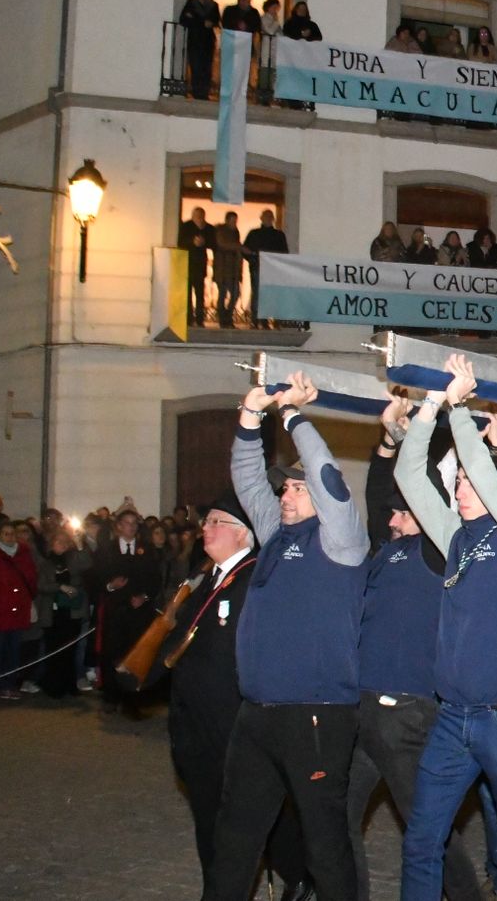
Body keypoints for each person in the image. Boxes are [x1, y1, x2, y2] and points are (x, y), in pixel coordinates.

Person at [208, 372, 371, 901]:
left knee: (325, 844)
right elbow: (249, 480)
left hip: (317, 715)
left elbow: (326, 474)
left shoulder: (341, 540)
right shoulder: (276, 535)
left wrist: (295, 415)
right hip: (257, 714)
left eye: (296, 489)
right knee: (235, 837)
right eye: (288, 488)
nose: (286, 494)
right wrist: (250, 418)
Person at [399, 355, 497, 901]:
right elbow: (410, 475)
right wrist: (430, 405)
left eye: (467, 483)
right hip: (453, 719)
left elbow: (482, 470)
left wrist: (461, 406)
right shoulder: (455, 536)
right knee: (420, 839)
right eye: (455, 484)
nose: (459, 489)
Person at [346, 392, 488, 901]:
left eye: (402, 512)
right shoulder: (389, 552)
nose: (390, 517)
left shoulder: (438, 551)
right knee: (335, 819)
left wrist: (419, 426)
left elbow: (417, 486)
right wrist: (387, 441)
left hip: (407, 713)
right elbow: (381, 493)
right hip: (363, 710)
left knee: (427, 832)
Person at [137, 495, 309, 900]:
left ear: (242, 533)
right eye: (206, 520)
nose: (205, 528)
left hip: (233, 724)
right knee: (207, 815)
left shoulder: (255, 579)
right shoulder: (201, 579)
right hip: (195, 725)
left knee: (246, 818)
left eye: (216, 521)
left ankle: (295, 874)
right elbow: (179, 642)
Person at [91, 501, 159, 719]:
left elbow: (155, 579)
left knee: (136, 654)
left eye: (133, 524)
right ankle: (111, 696)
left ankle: (134, 699)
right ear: (118, 526)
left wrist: (144, 596)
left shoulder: (146, 550)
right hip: (116, 611)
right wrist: (111, 586)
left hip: (139, 612)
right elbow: (95, 579)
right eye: (126, 523)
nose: (130, 527)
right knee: (113, 653)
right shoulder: (106, 551)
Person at [0, 519, 37, 701]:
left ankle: (10, 683)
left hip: (17, 609)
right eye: (6, 534)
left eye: (13, 534)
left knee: (13, 650)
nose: (11, 538)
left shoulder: (24, 553)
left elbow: (32, 578)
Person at [35, 523, 90, 699]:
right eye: (59, 541)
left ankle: (70, 684)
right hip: (53, 612)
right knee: (54, 649)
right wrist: (59, 587)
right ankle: (54, 685)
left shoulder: (73, 559)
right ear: (51, 544)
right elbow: (41, 585)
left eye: (65, 541)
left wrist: (79, 543)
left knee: (70, 649)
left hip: (71, 611)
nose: (62, 544)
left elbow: (87, 563)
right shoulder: (45, 563)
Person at [243, 209, 289, 328]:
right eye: (266, 217)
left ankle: (269, 321)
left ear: (273, 219)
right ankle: (255, 320)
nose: (268, 219)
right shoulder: (254, 234)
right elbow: (245, 250)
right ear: (261, 218)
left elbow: (284, 253)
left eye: (270, 217)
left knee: (271, 295)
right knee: (258, 295)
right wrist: (253, 257)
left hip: (273, 270)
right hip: (257, 268)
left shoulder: (279, 235)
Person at [180, 0, 220, 100]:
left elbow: (216, 20)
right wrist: (202, 23)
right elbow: (184, 19)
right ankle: (196, 90)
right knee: (196, 66)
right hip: (195, 39)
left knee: (206, 67)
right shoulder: (191, 4)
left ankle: (204, 92)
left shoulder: (213, 6)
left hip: (207, 41)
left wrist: (198, 20)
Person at [178, 207, 212, 326]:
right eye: (197, 215)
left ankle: (199, 318)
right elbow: (180, 242)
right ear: (192, 215)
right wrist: (192, 242)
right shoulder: (186, 227)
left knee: (200, 294)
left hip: (200, 265)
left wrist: (204, 242)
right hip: (187, 263)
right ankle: (188, 318)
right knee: (187, 293)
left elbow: (213, 243)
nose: (199, 218)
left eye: (201, 216)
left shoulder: (208, 228)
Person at [213, 212, 243, 328]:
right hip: (222, 269)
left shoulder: (235, 232)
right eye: (232, 220)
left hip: (233, 270)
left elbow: (236, 250)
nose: (234, 223)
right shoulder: (220, 231)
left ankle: (227, 315)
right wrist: (239, 247)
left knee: (235, 294)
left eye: (235, 221)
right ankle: (223, 318)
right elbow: (223, 244)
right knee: (223, 294)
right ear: (227, 220)